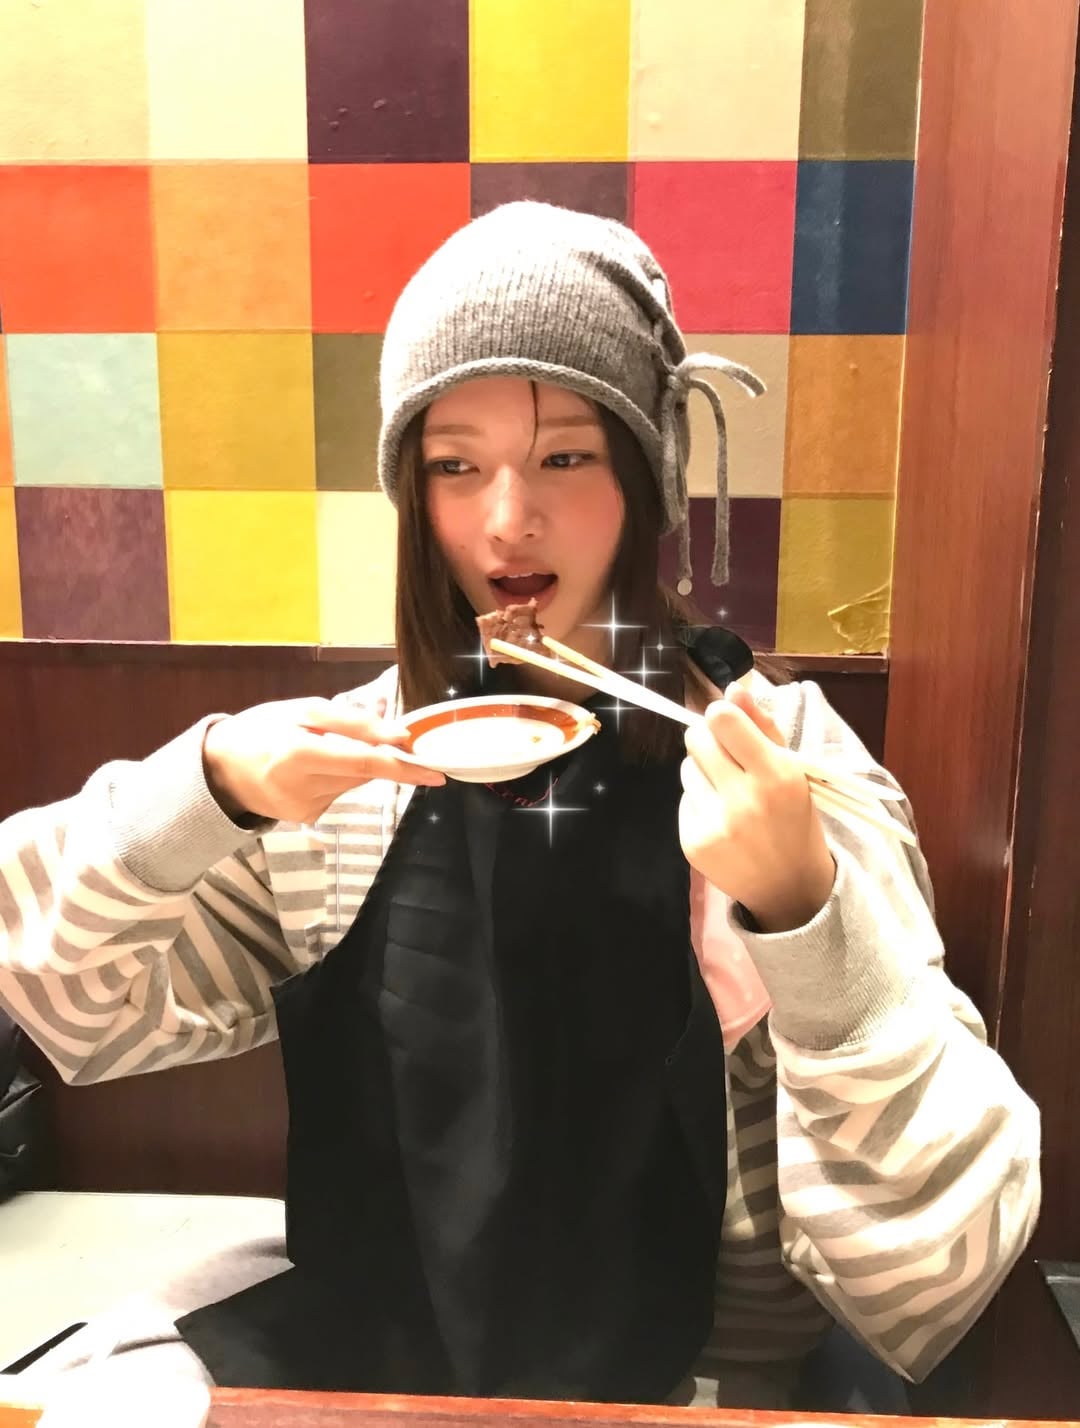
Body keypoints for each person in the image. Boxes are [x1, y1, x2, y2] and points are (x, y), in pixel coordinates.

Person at [0, 202, 1039, 1410]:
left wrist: (805, 911)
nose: (507, 520)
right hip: (376, 1373)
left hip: (695, 1385)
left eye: (565, 457)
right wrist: (209, 788)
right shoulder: (350, 770)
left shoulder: (775, 762)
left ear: (647, 475)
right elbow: (69, 1005)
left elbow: (940, 1262)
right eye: (456, 465)